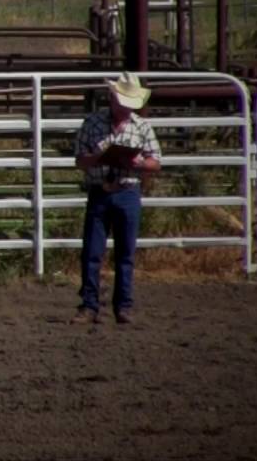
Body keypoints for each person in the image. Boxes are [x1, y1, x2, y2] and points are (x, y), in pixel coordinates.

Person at [72, 72, 162, 325]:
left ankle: (123, 306)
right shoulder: (92, 124)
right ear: (112, 99)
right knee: (92, 252)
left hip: (127, 190)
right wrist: (97, 157)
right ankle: (90, 305)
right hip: (100, 189)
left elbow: (156, 162)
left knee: (125, 253)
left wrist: (139, 163)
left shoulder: (142, 127)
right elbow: (79, 160)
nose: (125, 108)